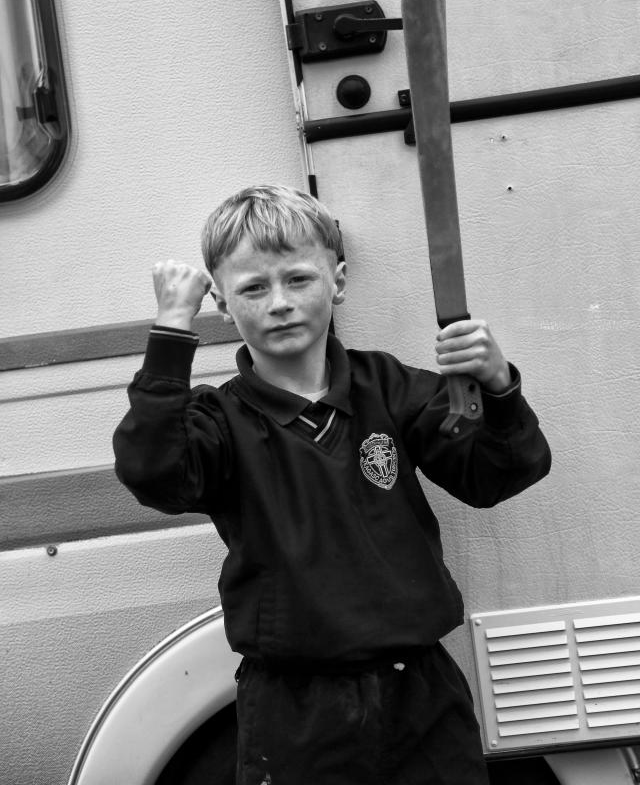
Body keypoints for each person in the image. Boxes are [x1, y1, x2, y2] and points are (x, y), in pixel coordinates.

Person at [113, 184, 551, 785]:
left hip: (419, 695)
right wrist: (169, 333)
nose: (279, 303)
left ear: (337, 281)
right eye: (253, 288)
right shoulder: (216, 420)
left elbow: (496, 475)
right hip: (294, 709)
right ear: (221, 302)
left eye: (298, 279)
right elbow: (153, 474)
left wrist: (498, 387)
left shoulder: (390, 388)